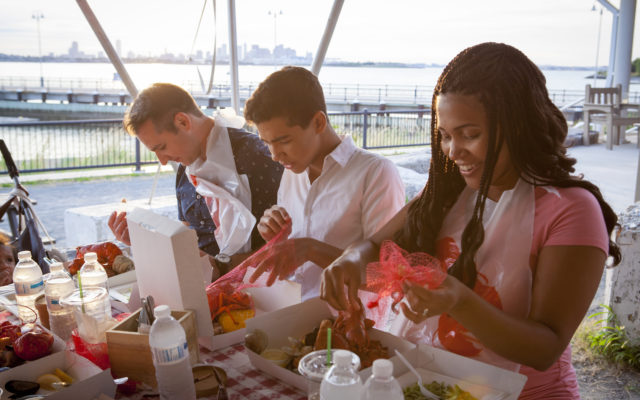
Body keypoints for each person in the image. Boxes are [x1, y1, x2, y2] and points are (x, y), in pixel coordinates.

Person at [320, 42, 621, 398]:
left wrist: (460, 302)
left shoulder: (571, 210)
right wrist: (351, 258)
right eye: (445, 136)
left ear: (519, 126)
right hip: (431, 384)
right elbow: (373, 246)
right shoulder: (446, 194)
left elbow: (545, 348)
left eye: (470, 134)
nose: (453, 151)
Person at [243, 66, 405, 300]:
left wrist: (311, 249)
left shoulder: (376, 173)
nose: (275, 155)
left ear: (319, 122)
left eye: (284, 141)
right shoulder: (292, 170)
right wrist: (276, 238)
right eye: (267, 143)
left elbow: (387, 278)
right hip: (291, 310)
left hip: (348, 324)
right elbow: (293, 261)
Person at [108, 83, 283, 276]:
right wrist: (145, 240)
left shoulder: (260, 157)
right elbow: (191, 246)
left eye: (162, 146)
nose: (163, 161)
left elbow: (291, 243)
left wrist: (224, 265)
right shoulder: (184, 174)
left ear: (183, 122)